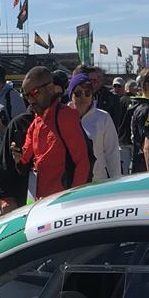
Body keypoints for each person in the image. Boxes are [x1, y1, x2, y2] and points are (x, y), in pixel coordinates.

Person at [17, 65, 92, 199]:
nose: (30, 100)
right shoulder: (36, 123)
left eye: (34, 93)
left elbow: (82, 162)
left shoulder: (65, 116)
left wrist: (74, 198)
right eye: (26, 96)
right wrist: (18, 157)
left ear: (50, 88)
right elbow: (24, 160)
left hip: (63, 201)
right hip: (40, 200)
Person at [69, 73, 120, 184]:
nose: (83, 97)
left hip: (97, 181)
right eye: (78, 93)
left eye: (87, 93)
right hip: (70, 182)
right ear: (70, 95)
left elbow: (112, 153)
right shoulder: (63, 118)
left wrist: (117, 182)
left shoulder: (103, 117)